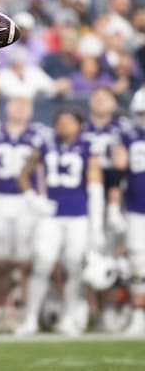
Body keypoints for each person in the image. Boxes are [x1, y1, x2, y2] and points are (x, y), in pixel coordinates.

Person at [15, 106, 104, 336]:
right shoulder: (44, 143)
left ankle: (69, 317)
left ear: (79, 124)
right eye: (60, 121)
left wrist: (96, 224)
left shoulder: (87, 146)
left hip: (78, 215)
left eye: (69, 121)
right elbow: (23, 175)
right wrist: (32, 199)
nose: (64, 125)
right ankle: (31, 318)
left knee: (74, 266)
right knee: (42, 264)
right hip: (50, 214)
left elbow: (95, 184)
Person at [0, 97, 42, 327]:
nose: (20, 109)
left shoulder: (36, 135)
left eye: (25, 105)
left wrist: (41, 197)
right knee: (1, 261)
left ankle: (23, 309)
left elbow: (41, 172)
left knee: (25, 261)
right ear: (6, 107)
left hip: (26, 200)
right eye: (16, 104)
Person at [111, 89, 145, 335]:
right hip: (136, 208)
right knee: (138, 264)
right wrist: (113, 206)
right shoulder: (128, 136)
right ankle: (137, 316)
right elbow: (117, 172)